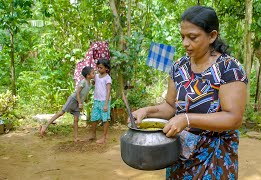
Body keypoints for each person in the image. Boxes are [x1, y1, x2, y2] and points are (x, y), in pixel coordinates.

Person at [131, 5, 248, 179]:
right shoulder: (179, 67)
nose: (185, 43)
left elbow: (233, 118)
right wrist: (147, 111)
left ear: (212, 36)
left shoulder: (229, 68)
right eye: (183, 37)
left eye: (192, 37)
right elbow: (170, 106)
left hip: (215, 159)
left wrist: (187, 119)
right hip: (180, 156)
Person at [40, 66, 95, 142]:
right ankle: (45, 126)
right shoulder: (83, 82)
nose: (94, 74)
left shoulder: (90, 84)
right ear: (88, 75)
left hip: (79, 102)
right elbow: (78, 93)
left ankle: (76, 138)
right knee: (61, 112)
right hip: (73, 99)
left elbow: (85, 93)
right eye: (93, 73)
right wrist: (80, 103)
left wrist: (85, 100)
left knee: (76, 120)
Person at [88, 58, 112, 144]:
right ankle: (93, 134)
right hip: (96, 100)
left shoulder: (108, 78)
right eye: (98, 67)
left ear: (106, 68)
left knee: (105, 119)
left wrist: (106, 104)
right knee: (94, 118)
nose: (99, 69)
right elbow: (95, 82)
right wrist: (93, 82)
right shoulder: (97, 76)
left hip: (104, 101)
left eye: (101, 67)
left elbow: (108, 91)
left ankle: (104, 137)